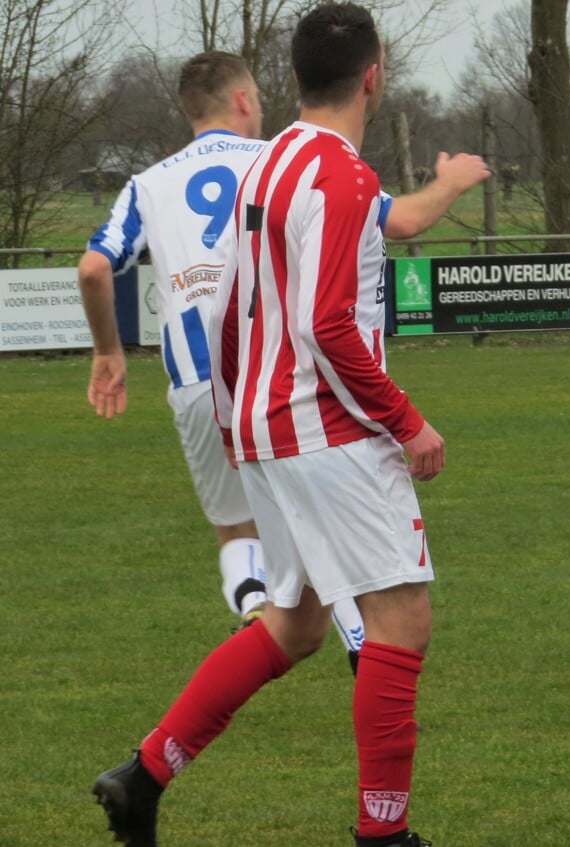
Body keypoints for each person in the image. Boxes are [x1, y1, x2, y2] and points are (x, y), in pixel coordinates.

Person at [91, 5, 462, 846]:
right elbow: (329, 326)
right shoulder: (339, 176)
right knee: (402, 620)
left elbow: (225, 302)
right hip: (327, 430)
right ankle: (384, 835)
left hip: (261, 424)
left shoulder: (271, 164)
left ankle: (143, 774)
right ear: (374, 75)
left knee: (294, 622)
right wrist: (408, 422)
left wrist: (234, 416)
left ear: (293, 80)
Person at [78, 50, 489, 670]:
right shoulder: (285, 162)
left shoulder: (148, 184)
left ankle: (252, 605)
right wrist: (451, 182)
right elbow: (398, 220)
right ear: (244, 100)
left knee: (239, 532)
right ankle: (355, 640)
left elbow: (92, 267)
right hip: (287, 379)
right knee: (328, 530)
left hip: (199, 383)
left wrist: (109, 351)